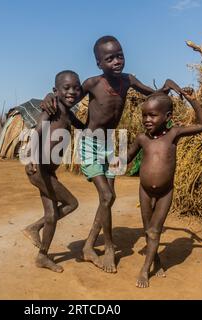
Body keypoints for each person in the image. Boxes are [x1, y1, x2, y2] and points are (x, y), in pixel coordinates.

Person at [40, 35, 181, 273]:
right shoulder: (92, 83)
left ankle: (88, 246)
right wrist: (50, 98)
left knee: (109, 197)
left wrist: (166, 86)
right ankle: (107, 248)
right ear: (99, 63)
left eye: (120, 55)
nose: (116, 61)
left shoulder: (128, 80)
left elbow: (154, 94)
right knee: (106, 196)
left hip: (112, 143)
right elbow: (67, 100)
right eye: (110, 58)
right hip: (90, 143)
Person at [125, 86, 202, 288]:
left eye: (152, 115)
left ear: (167, 116)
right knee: (148, 230)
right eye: (144, 115)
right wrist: (109, 161)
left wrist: (192, 100)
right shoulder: (142, 139)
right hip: (144, 191)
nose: (147, 120)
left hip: (165, 192)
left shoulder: (174, 134)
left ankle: (145, 270)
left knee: (155, 232)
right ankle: (156, 260)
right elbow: (126, 158)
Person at [23, 70, 85, 273]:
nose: (72, 92)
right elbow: (38, 129)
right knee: (72, 203)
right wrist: (32, 155)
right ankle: (35, 228)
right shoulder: (52, 107)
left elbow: (83, 126)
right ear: (55, 91)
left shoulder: (68, 112)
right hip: (39, 169)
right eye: (66, 88)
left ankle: (42, 255)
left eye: (76, 88)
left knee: (51, 214)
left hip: (48, 173)